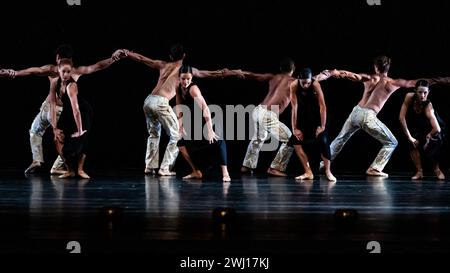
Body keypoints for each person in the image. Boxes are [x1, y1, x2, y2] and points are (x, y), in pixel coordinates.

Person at [120, 44, 243, 175]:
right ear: (184, 56)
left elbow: (141, 58)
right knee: (177, 136)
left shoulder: (163, 64)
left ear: (170, 56)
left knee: (154, 134)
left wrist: (125, 52)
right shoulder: (186, 71)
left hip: (149, 100)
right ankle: (164, 168)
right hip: (161, 102)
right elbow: (213, 74)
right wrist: (235, 72)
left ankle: (149, 167)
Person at [4, 44, 124, 175]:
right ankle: (56, 165)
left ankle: (41, 160)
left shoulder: (52, 69)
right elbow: (97, 66)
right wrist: (113, 58)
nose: (65, 74)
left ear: (57, 58)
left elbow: (34, 70)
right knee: (57, 136)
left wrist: (15, 73)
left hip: (52, 108)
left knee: (40, 132)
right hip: (55, 109)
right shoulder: (75, 71)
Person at [318, 56, 423, 177]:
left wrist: (334, 72)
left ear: (375, 67)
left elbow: (349, 74)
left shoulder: (369, 78)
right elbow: (414, 83)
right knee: (392, 142)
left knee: (340, 138)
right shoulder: (393, 83)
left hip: (356, 112)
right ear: (388, 68)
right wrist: (439, 80)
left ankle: (323, 164)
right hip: (368, 116)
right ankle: (374, 168)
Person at [240, 58, 297, 177]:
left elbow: (253, 75)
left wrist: (237, 72)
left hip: (258, 110)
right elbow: (312, 80)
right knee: (290, 139)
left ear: (281, 69)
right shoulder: (294, 81)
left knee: (258, 139)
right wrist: (329, 73)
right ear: (293, 70)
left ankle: (247, 166)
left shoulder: (273, 77)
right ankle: (275, 168)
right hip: (268, 115)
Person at [175, 65, 231, 182]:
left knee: (218, 140)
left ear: (192, 78)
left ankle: (225, 173)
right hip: (198, 119)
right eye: (183, 79)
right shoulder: (178, 87)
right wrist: (180, 125)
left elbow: (205, 109)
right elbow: (179, 107)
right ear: (179, 78)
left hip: (211, 116)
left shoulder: (193, 89)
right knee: (181, 144)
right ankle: (196, 171)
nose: (185, 82)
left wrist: (210, 130)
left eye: (188, 79)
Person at [288, 68, 336, 182]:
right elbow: (294, 108)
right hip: (306, 116)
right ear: (299, 79)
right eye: (303, 82)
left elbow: (322, 106)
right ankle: (308, 172)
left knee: (323, 140)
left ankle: (328, 171)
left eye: (308, 82)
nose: (306, 85)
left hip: (319, 117)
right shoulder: (294, 85)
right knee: (295, 140)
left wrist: (322, 126)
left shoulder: (315, 84)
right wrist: (294, 128)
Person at [49, 58, 92, 179]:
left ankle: (80, 169)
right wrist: (54, 127)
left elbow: (76, 110)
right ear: (58, 70)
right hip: (68, 111)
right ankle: (69, 170)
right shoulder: (54, 82)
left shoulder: (71, 86)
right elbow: (52, 104)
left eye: (69, 72)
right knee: (57, 138)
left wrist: (79, 130)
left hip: (83, 111)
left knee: (84, 137)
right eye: (64, 71)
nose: (66, 75)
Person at [399, 80, 445, 180]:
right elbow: (401, 117)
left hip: (432, 128)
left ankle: (437, 169)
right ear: (415, 91)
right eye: (420, 92)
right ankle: (419, 171)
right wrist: (410, 137)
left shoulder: (428, 106)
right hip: (418, 125)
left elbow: (437, 128)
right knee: (411, 142)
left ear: (428, 92)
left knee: (435, 141)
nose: (422, 95)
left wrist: (429, 135)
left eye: (425, 92)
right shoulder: (409, 97)